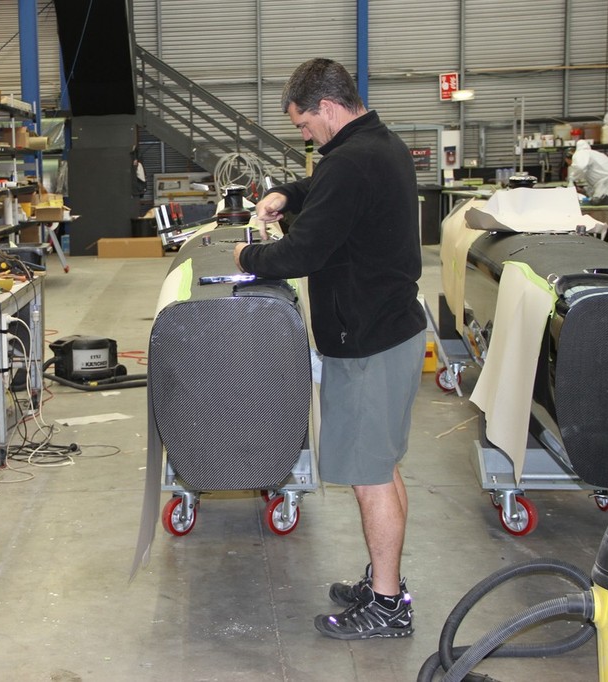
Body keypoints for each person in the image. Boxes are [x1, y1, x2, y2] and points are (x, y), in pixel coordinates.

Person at [233, 58, 426, 640]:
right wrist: (282, 194)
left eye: (303, 124)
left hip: (370, 339)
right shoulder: (376, 145)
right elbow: (322, 189)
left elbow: (302, 255)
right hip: (386, 329)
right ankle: (384, 580)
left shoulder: (353, 160)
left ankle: (389, 605)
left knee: (369, 475)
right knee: (381, 466)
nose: (304, 136)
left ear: (328, 108)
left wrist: (244, 258)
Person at [567, 140, 608, 205]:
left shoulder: (581, 153)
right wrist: (584, 191)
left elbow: (580, 167)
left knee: (603, 209)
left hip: (607, 183)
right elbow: (596, 182)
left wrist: (572, 178)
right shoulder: (596, 154)